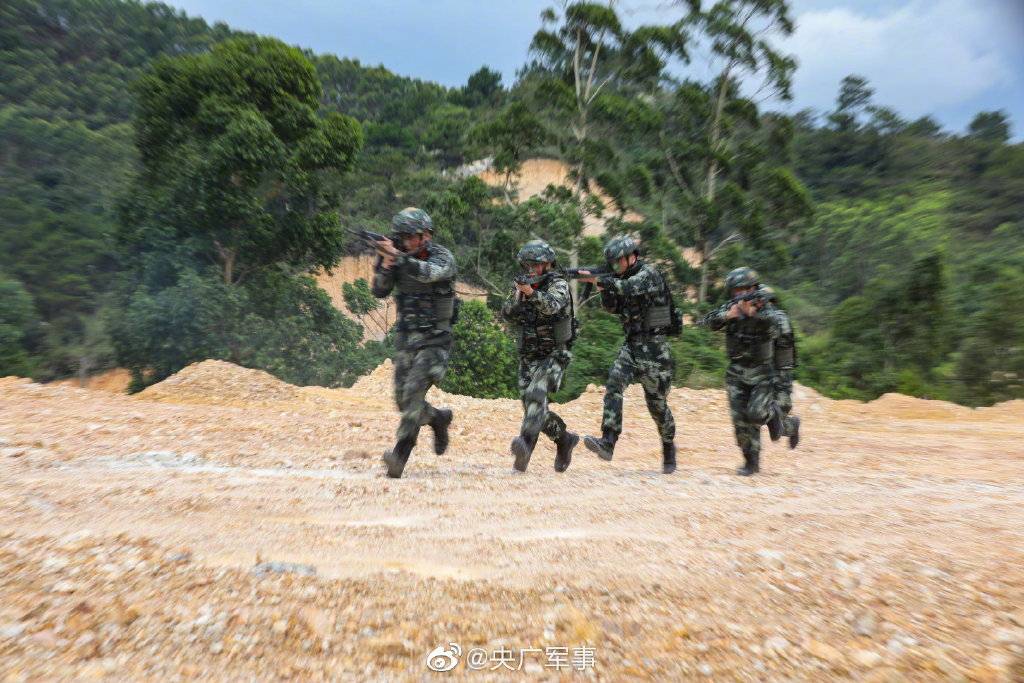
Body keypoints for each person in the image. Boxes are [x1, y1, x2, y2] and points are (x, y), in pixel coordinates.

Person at [578, 236, 678, 474]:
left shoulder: (649, 273)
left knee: (657, 405)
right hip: (632, 345)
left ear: (632, 256)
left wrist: (601, 280)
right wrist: (601, 286)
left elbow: (629, 288)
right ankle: (608, 441)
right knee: (614, 384)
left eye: (618, 262)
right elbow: (612, 306)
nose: (616, 267)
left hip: (655, 348)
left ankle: (668, 446)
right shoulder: (619, 278)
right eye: (613, 264)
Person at [371, 207, 456, 478]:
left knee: (413, 394)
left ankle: (399, 456)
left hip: (435, 340)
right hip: (407, 338)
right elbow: (379, 291)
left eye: (409, 238)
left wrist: (397, 257)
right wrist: (386, 263)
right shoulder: (397, 256)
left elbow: (429, 274)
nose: (404, 242)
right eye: (401, 237)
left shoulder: (442, 257)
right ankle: (438, 418)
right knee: (402, 401)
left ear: (426, 236)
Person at [500, 240, 580, 473]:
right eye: (527, 264)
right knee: (532, 409)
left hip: (555, 353)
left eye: (535, 264)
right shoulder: (522, 284)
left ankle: (524, 448)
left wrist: (532, 294)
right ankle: (564, 440)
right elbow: (506, 315)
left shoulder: (558, 284)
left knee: (536, 395)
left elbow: (552, 306)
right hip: (529, 355)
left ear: (547, 265)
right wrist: (517, 298)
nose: (530, 269)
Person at [701, 267, 785, 476]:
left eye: (743, 290)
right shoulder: (731, 306)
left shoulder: (766, 308)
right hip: (736, 372)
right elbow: (709, 321)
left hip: (762, 372)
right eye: (735, 291)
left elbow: (776, 327)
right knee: (740, 421)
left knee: (756, 414)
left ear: (753, 288)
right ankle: (751, 462)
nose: (739, 294)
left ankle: (772, 413)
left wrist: (754, 315)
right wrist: (727, 315)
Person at [760, 286, 800, 449]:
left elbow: (776, 334)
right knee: (760, 412)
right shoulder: (759, 318)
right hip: (762, 372)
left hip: (780, 373)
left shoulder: (779, 317)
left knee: (778, 416)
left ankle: (793, 427)